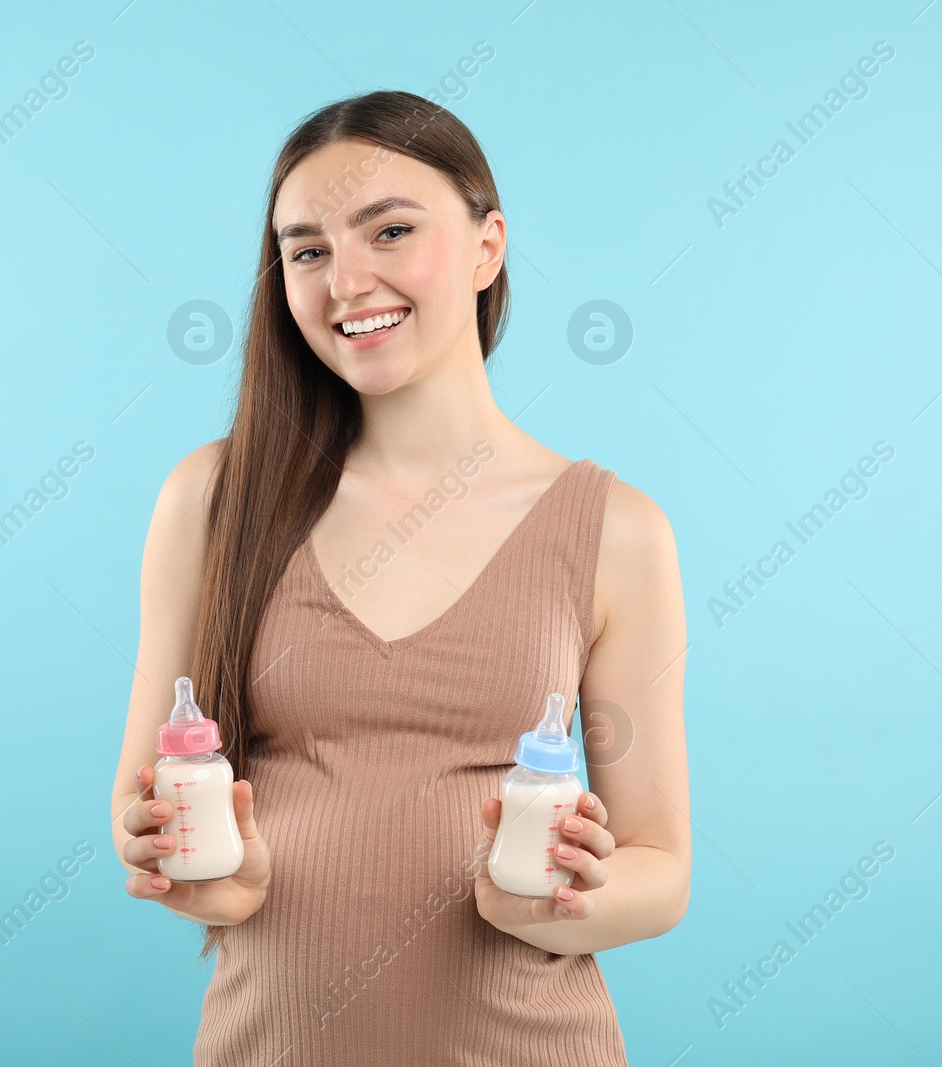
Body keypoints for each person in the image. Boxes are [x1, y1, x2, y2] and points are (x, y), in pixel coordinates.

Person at [109, 89, 689, 1065]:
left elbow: (660, 869)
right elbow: (147, 809)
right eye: (306, 250)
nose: (346, 280)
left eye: (389, 229)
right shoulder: (210, 500)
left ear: (485, 246)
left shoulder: (616, 530)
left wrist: (557, 896)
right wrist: (212, 876)